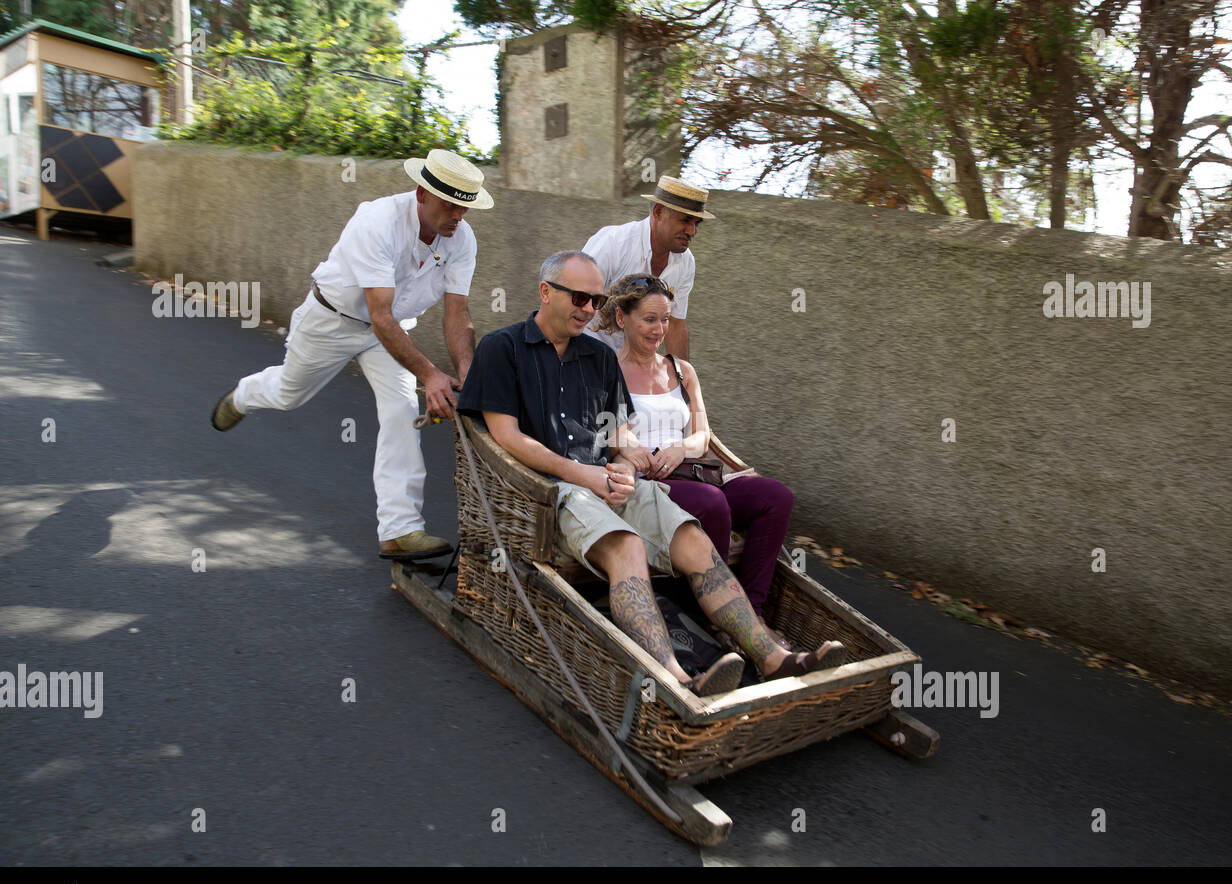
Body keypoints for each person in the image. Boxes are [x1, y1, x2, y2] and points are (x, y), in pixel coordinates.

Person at [456, 251, 847, 696]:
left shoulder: (597, 359)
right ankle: (677, 679)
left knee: (693, 539)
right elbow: (505, 435)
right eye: (579, 298)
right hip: (550, 490)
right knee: (627, 546)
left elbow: (621, 438)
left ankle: (773, 658)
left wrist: (622, 469)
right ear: (546, 292)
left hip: (607, 481)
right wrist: (584, 476)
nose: (587, 309)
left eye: (595, 300)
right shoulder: (502, 349)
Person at [209, 149, 492, 559]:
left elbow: (457, 312)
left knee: (399, 411)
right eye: (450, 205)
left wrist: (469, 375)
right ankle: (244, 394)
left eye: (464, 209)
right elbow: (379, 314)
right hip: (332, 321)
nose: (457, 217)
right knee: (290, 394)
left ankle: (400, 530)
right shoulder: (377, 221)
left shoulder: (461, 240)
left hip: (390, 332)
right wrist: (431, 375)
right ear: (422, 193)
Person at [597, 274, 796, 638]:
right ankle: (717, 617)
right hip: (648, 482)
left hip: (692, 470)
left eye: (665, 319)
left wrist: (679, 448)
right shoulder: (605, 371)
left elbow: (702, 437)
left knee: (776, 497)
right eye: (649, 319)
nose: (659, 329)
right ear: (623, 319)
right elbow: (611, 435)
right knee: (713, 503)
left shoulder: (682, 371)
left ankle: (750, 613)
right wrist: (631, 447)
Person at [580, 175, 711, 359]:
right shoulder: (613, 243)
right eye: (685, 220)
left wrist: (681, 381)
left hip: (634, 369)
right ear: (657, 212)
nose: (692, 231)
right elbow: (573, 301)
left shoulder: (686, 262)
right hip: (585, 357)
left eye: (697, 223)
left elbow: (675, 324)